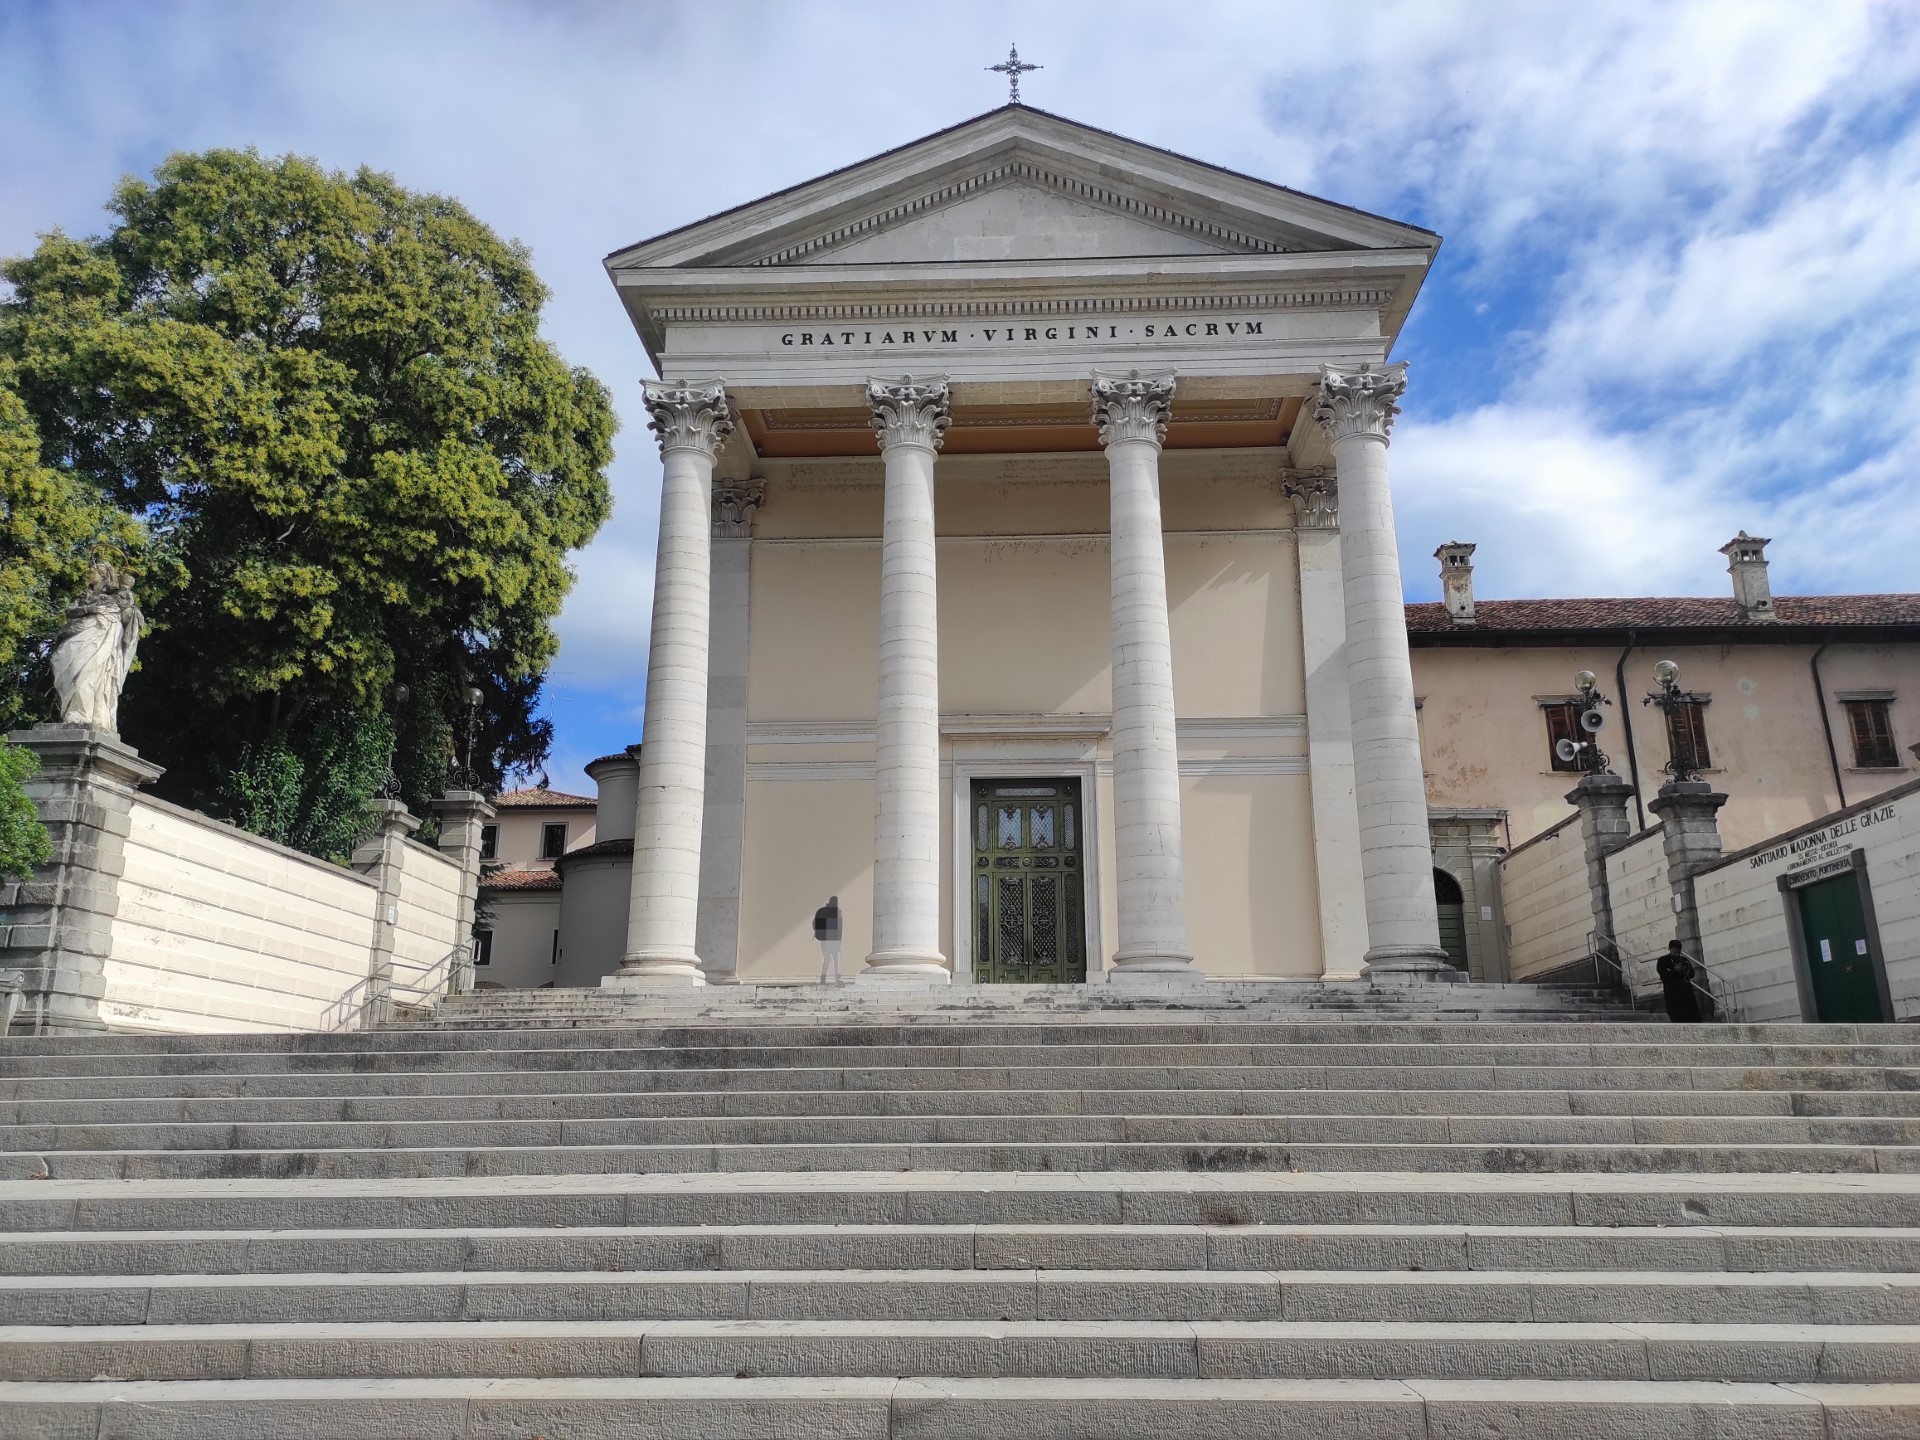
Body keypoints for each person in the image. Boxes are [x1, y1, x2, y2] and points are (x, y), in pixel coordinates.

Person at [1657, 940, 1704, 1023]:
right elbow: (1663, 976)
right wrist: (1674, 970)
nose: (1677, 955)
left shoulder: (1683, 960)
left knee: (1693, 1017)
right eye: (1675, 952)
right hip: (1672, 995)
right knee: (1677, 1018)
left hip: (1687, 994)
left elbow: (1692, 973)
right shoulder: (1663, 960)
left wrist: (1686, 970)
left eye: (1678, 952)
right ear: (1669, 949)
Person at [813, 895, 844, 984]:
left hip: (832, 940)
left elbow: (840, 927)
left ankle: (835, 978)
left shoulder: (836, 912)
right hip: (827, 940)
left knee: (833, 959)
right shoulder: (833, 912)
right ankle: (826, 978)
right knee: (830, 959)